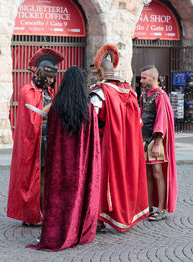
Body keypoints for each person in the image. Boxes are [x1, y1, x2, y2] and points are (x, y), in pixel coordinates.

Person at [28, 66, 101, 251]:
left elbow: (51, 136)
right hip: (80, 167)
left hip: (59, 166)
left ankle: (57, 231)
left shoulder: (56, 109)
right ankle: (76, 231)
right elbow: (93, 143)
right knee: (78, 199)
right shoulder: (89, 109)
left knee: (59, 200)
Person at [90, 44, 149, 233]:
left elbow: (90, 119)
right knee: (125, 179)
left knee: (102, 180)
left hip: (105, 145)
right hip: (128, 145)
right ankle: (126, 214)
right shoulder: (129, 91)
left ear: (100, 73)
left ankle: (98, 220)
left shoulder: (101, 92)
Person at [7, 48, 64, 226]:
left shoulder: (47, 92)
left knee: (47, 177)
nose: (51, 81)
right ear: (39, 73)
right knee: (35, 177)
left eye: (53, 78)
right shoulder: (27, 91)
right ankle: (33, 214)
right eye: (49, 77)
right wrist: (54, 105)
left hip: (47, 138)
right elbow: (34, 118)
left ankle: (45, 211)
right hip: (34, 141)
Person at [139, 65, 177, 221]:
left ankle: (161, 209)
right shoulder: (143, 95)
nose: (141, 80)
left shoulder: (161, 96)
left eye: (143, 78)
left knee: (157, 173)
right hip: (144, 139)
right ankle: (148, 207)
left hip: (156, 141)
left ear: (153, 78)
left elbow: (162, 120)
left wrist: (157, 142)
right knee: (146, 174)